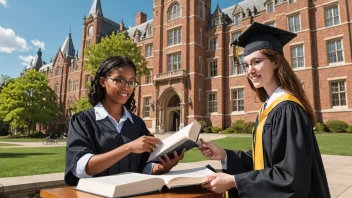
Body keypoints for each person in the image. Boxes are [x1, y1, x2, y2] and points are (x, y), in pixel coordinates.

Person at [198, 22, 330, 198]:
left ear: (275, 62)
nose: (250, 71)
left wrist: (234, 181)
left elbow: (291, 178)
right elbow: (263, 161)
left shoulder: (287, 109)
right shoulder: (269, 107)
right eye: (246, 65)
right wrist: (224, 155)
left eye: (257, 62)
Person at [65, 56, 185, 186]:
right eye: (119, 80)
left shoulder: (137, 124)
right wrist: (128, 148)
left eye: (131, 82)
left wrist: (160, 168)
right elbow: (81, 168)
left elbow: (142, 167)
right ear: (103, 81)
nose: (126, 87)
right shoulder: (83, 120)